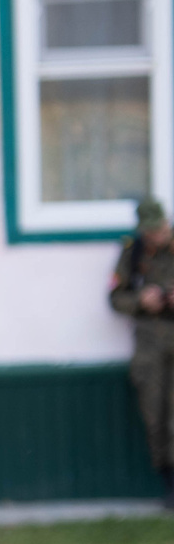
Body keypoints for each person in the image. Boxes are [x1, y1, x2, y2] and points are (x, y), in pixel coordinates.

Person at [110, 195, 174, 506]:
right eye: (148, 231)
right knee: (155, 414)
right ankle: (168, 486)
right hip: (149, 344)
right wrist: (141, 301)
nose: (154, 236)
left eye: (158, 229)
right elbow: (115, 297)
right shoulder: (133, 252)